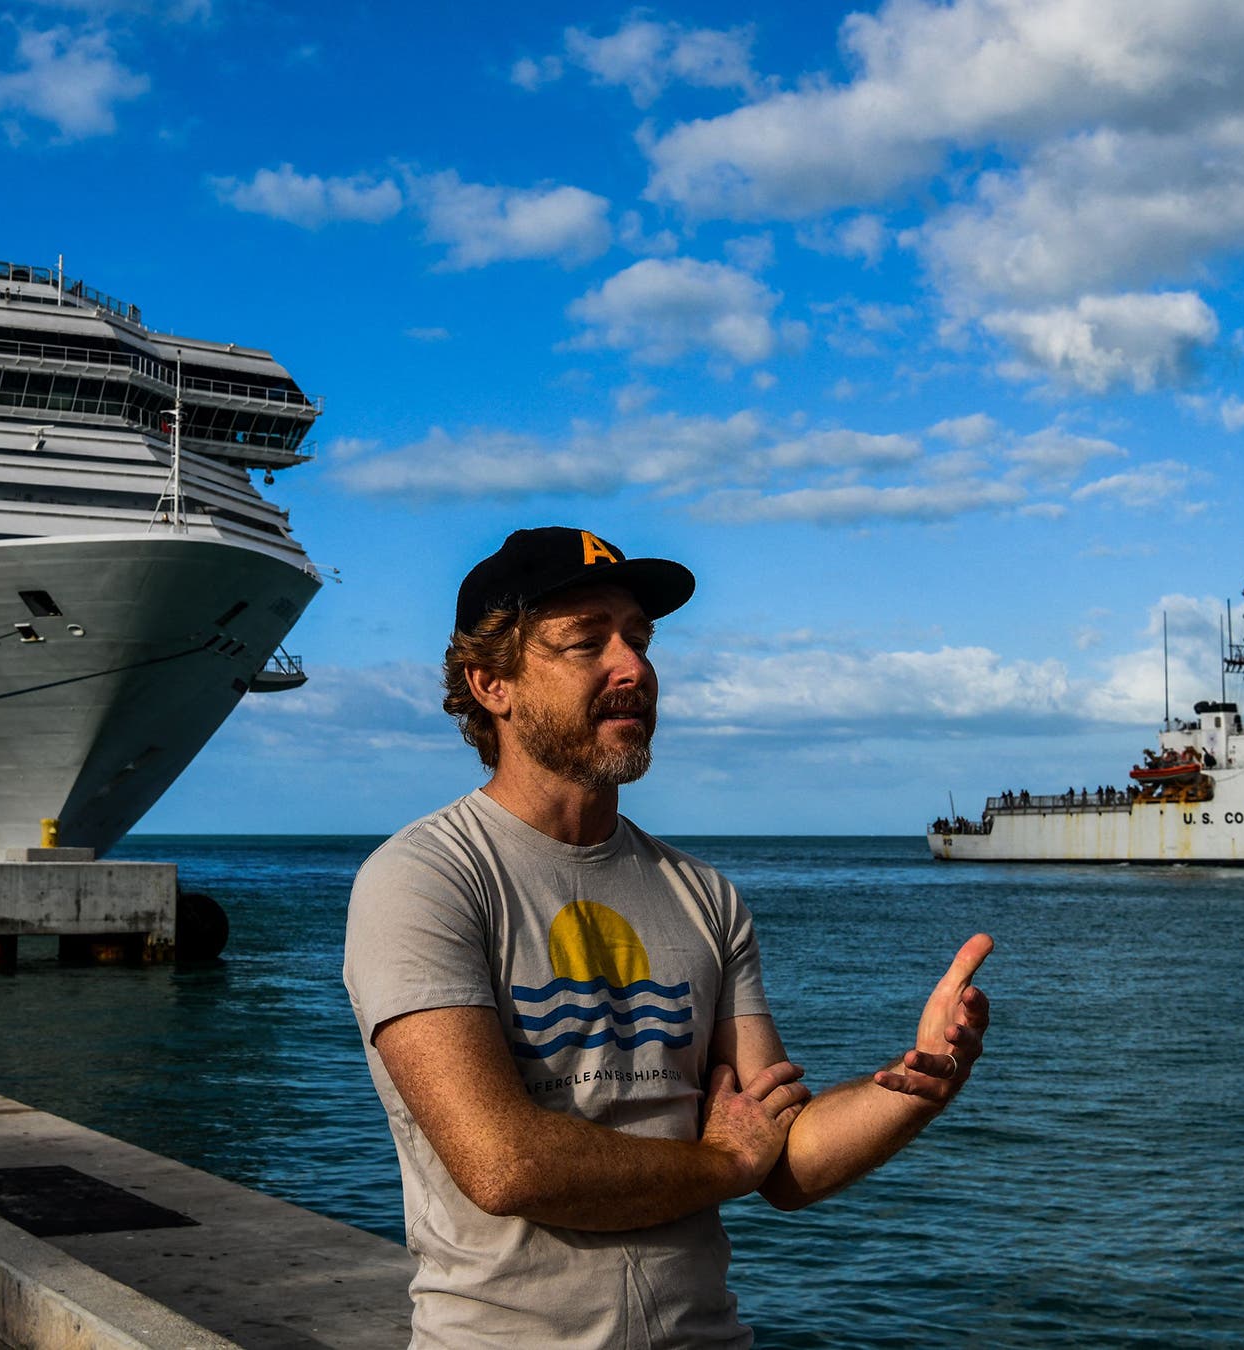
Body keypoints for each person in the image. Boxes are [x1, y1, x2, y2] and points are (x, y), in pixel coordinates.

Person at [345, 527, 993, 1347]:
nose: (634, 668)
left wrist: (920, 1082)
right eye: (587, 643)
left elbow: (786, 1162)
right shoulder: (426, 879)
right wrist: (723, 1164)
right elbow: (504, 1163)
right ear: (491, 684)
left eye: (640, 641)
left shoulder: (703, 896)